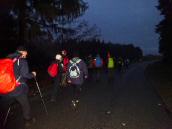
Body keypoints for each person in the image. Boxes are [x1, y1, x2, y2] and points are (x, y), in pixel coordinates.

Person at [0, 46, 36, 127]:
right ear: (22, 51)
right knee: (25, 104)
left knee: (2, 108)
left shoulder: (8, 60)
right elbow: (25, 75)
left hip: (4, 89)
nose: (27, 54)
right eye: (26, 52)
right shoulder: (22, 61)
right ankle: (28, 120)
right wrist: (33, 74)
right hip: (17, 89)